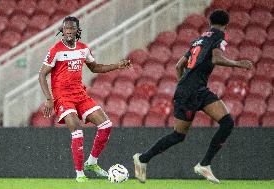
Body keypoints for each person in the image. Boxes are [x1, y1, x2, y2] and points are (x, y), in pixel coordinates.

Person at [133, 9, 252, 184]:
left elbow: (178, 66)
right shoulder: (220, 36)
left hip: (197, 90)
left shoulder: (199, 39)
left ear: (209, 22)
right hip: (191, 91)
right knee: (179, 135)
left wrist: (185, 85)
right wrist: (238, 64)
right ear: (227, 25)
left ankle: (204, 165)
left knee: (227, 122)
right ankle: (143, 158)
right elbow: (217, 58)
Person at [38, 16, 131, 182]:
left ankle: (92, 162)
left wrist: (117, 65)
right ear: (62, 30)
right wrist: (49, 99)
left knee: (106, 124)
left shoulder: (83, 49)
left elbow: (95, 67)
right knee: (77, 129)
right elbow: (42, 74)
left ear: (77, 30)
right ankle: (80, 174)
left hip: (80, 94)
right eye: (66, 28)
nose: (68, 31)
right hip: (62, 96)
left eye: (72, 28)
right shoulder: (55, 50)